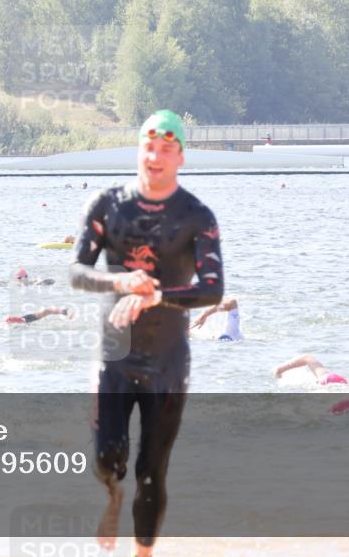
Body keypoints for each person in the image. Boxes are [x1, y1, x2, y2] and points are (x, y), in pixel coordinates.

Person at [70, 110, 223, 556]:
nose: (155, 156)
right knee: (105, 461)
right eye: (148, 146)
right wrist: (119, 282)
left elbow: (213, 290)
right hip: (114, 359)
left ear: (181, 158)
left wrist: (158, 295)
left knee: (152, 471)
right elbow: (77, 272)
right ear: (139, 150)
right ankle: (112, 497)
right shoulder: (107, 205)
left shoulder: (197, 217)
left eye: (166, 148)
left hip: (168, 366)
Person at [274, 354, 347, 385]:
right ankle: (279, 369)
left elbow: (307, 358)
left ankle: (279, 369)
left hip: (333, 380)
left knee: (308, 358)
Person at [5, 306, 72, 324]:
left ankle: (62, 312)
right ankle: (63, 312)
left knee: (47, 311)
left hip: (28, 318)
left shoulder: (10, 322)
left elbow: (21, 320)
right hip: (29, 318)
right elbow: (22, 320)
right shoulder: (11, 320)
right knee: (48, 311)